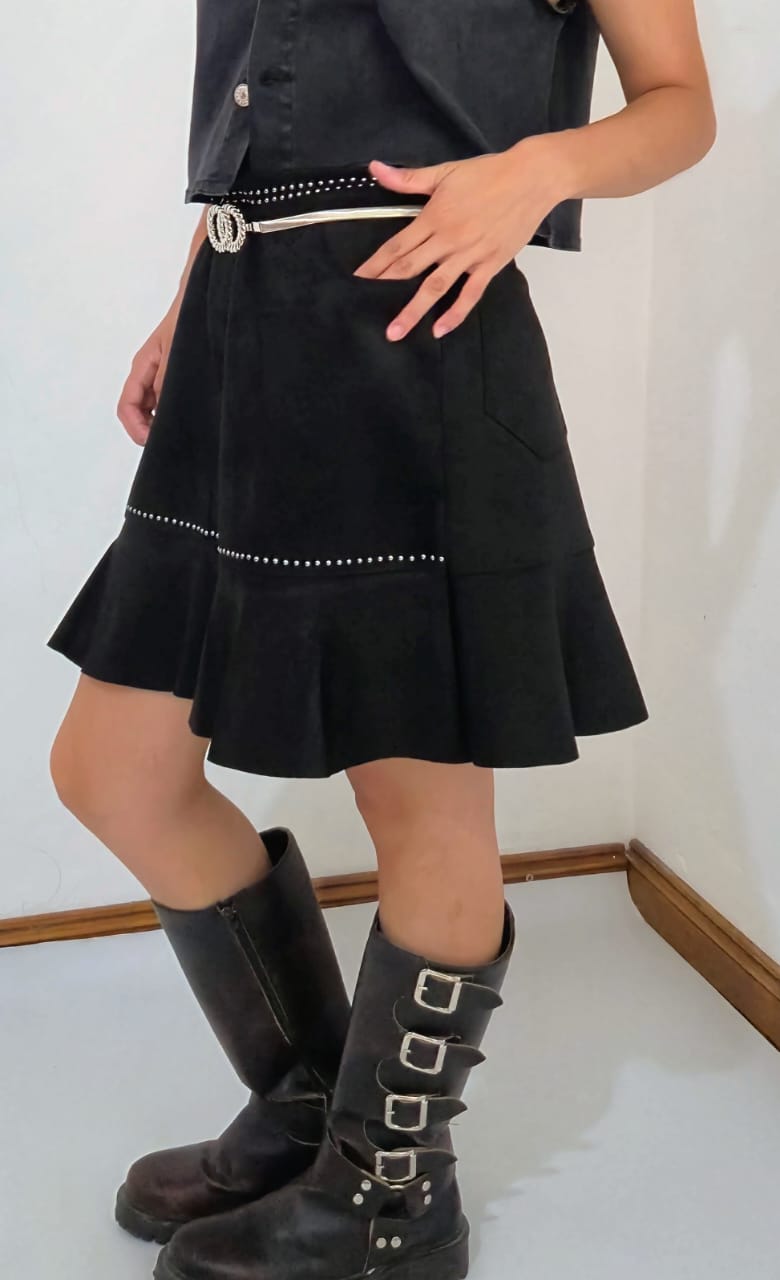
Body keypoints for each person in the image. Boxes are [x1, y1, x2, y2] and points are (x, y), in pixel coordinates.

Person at [46, 1, 716, 1277]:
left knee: (422, 799)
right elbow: (265, 112)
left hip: (415, 346)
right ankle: (315, 1110)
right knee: (111, 766)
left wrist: (536, 171)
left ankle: (390, 1194)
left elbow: (681, 104)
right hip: (240, 329)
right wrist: (190, 298)